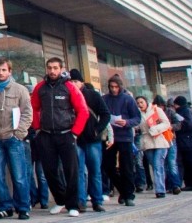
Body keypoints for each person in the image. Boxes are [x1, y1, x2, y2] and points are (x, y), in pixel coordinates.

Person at [30, 58, 89, 217]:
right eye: (49, 68)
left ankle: (73, 205)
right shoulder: (40, 88)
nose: (52, 71)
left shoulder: (69, 87)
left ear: (61, 69)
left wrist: (75, 132)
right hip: (46, 135)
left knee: (71, 171)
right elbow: (33, 108)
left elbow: (83, 111)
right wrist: (37, 129)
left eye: (55, 68)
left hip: (66, 134)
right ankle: (60, 200)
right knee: (49, 171)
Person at [0, 58, 32, 220]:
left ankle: (23, 207)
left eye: (4, 70)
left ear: (9, 71)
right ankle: (5, 207)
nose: (0, 73)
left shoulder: (20, 90)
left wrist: (19, 133)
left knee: (19, 175)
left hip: (13, 138)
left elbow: (27, 113)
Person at [67, 69, 109, 212]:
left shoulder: (93, 95)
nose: (73, 84)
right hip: (76, 139)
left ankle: (97, 200)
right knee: (78, 172)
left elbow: (105, 115)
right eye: (71, 81)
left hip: (93, 140)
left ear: (82, 82)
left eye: (76, 81)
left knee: (95, 170)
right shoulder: (67, 96)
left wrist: (97, 130)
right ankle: (81, 201)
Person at [102, 74, 141, 206]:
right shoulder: (104, 99)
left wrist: (127, 122)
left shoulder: (128, 99)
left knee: (127, 167)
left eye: (116, 87)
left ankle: (129, 195)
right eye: (111, 87)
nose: (113, 89)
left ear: (120, 87)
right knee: (108, 166)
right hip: (110, 137)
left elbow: (137, 118)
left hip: (125, 136)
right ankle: (123, 191)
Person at [135, 95, 170, 198]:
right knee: (154, 166)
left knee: (157, 164)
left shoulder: (156, 109)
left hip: (159, 140)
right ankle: (162, 186)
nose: (140, 105)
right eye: (138, 103)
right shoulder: (137, 113)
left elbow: (166, 123)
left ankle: (160, 190)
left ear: (146, 102)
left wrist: (155, 128)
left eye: (141, 102)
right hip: (147, 142)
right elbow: (136, 125)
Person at [152, 95, 181, 195]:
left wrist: (168, 126)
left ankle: (176, 185)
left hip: (170, 139)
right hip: (159, 141)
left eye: (161, 106)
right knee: (163, 164)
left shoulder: (170, 112)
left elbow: (178, 124)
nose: (160, 108)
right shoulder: (152, 114)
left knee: (171, 162)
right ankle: (168, 185)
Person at [172, 96, 192, 190]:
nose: (174, 107)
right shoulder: (187, 110)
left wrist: (177, 126)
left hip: (189, 143)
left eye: (175, 104)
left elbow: (189, 124)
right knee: (189, 163)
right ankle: (191, 184)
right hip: (189, 142)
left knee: (190, 164)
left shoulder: (185, 111)